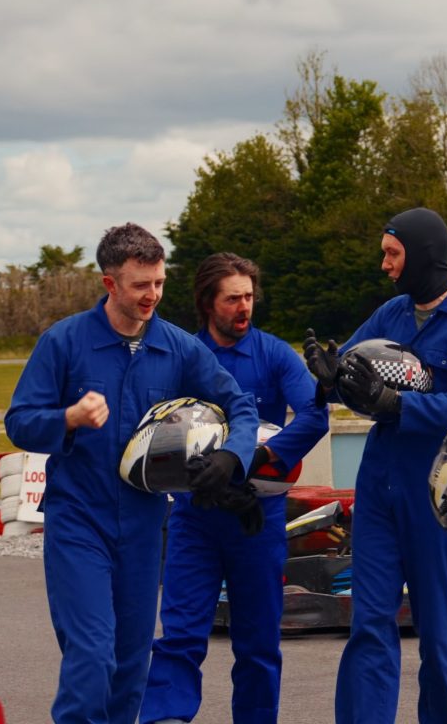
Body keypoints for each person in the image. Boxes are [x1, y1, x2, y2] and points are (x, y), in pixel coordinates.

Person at [4, 223, 260, 724]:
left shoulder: (177, 346)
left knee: (129, 667)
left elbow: (239, 406)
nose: (153, 295)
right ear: (110, 284)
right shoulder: (64, 342)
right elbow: (19, 422)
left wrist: (233, 457)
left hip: (144, 527)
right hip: (79, 521)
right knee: (92, 658)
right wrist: (67, 420)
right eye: (141, 285)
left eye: (159, 283)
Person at [304, 207, 447, 724]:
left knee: (438, 634)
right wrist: (328, 379)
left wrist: (399, 406)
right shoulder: (390, 314)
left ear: (424, 256)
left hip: (440, 492)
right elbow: (352, 373)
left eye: (393, 254)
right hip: (379, 488)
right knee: (369, 622)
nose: (386, 265)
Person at [143, 253, 329, 724]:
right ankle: (166, 717)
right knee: (181, 635)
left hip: (258, 519)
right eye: (232, 299)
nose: (244, 306)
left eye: (249, 297)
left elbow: (314, 415)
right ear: (208, 303)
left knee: (259, 644)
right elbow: (155, 429)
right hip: (194, 516)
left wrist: (255, 461)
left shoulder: (274, 354)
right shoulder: (183, 354)